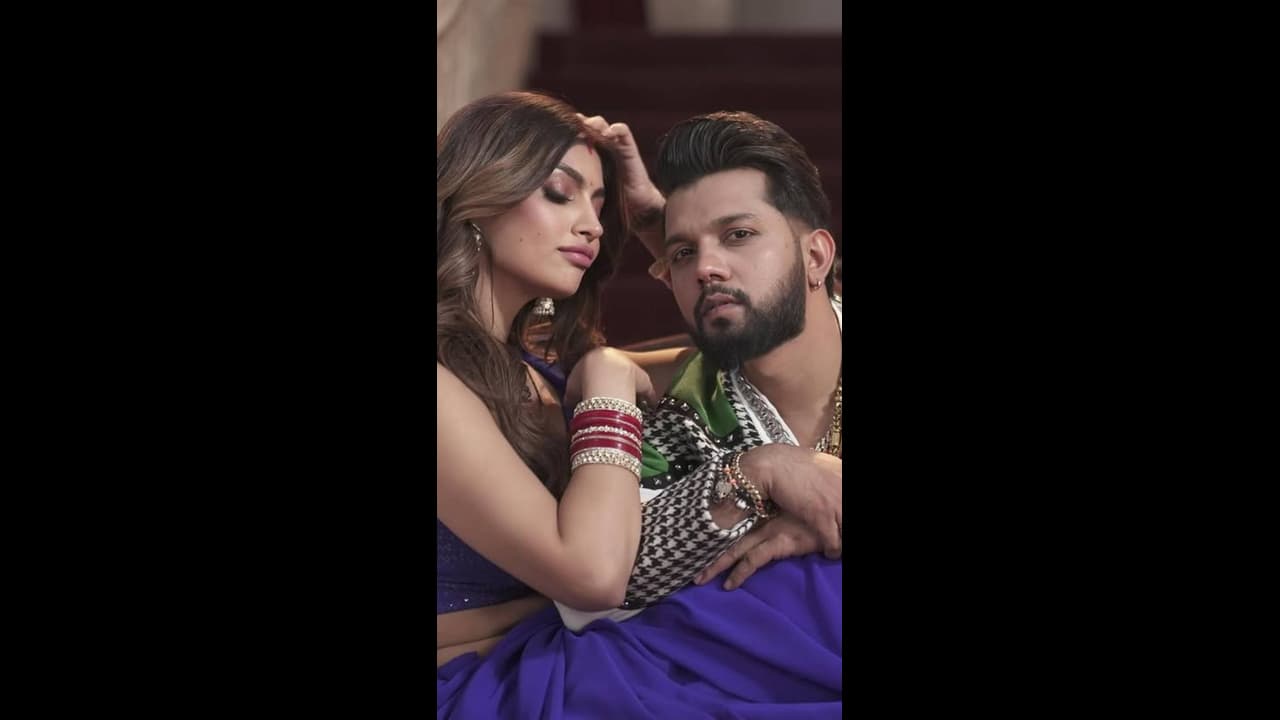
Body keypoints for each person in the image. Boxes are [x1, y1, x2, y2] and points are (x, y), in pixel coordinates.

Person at [437, 106, 843, 718]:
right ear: (479, 196)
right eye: (561, 194)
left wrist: (676, 233)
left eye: (600, 206)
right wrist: (757, 470)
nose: (592, 227)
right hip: (489, 679)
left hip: (575, 639)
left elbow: (766, 334)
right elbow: (596, 577)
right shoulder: (464, 385)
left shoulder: (540, 367)